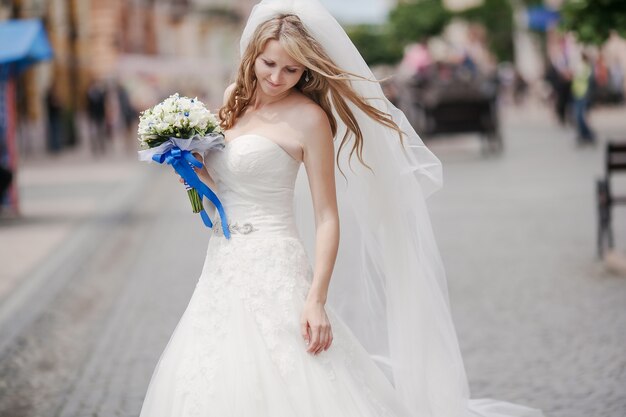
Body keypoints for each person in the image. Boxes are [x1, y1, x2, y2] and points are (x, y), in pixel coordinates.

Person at [138, 1, 544, 416]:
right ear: (253, 55)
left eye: (292, 70)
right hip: (221, 264)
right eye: (269, 63)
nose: (277, 78)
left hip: (276, 263)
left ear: (306, 72)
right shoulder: (233, 101)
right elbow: (224, 192)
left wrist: (316, 299)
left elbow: (327, 216)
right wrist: (190, 171)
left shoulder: (310, 119)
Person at [571, 52, 596, 145]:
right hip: (578, 94)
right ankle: (584, 133)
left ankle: (587, 134)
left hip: (582, 94)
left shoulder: (584, 67)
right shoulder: (584, 67)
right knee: (579, 116)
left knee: (579, 116)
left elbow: (586, 82)